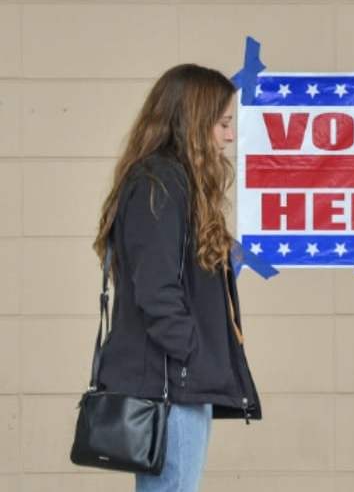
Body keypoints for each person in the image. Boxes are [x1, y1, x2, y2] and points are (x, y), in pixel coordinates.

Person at [93, 64, 262, 491]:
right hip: (171, 386)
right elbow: (156, 289)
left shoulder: (173, 183)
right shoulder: (160, 183)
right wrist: (192, 355)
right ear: (194, 120)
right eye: (223, 123)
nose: (229, 136)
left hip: (178, 381)